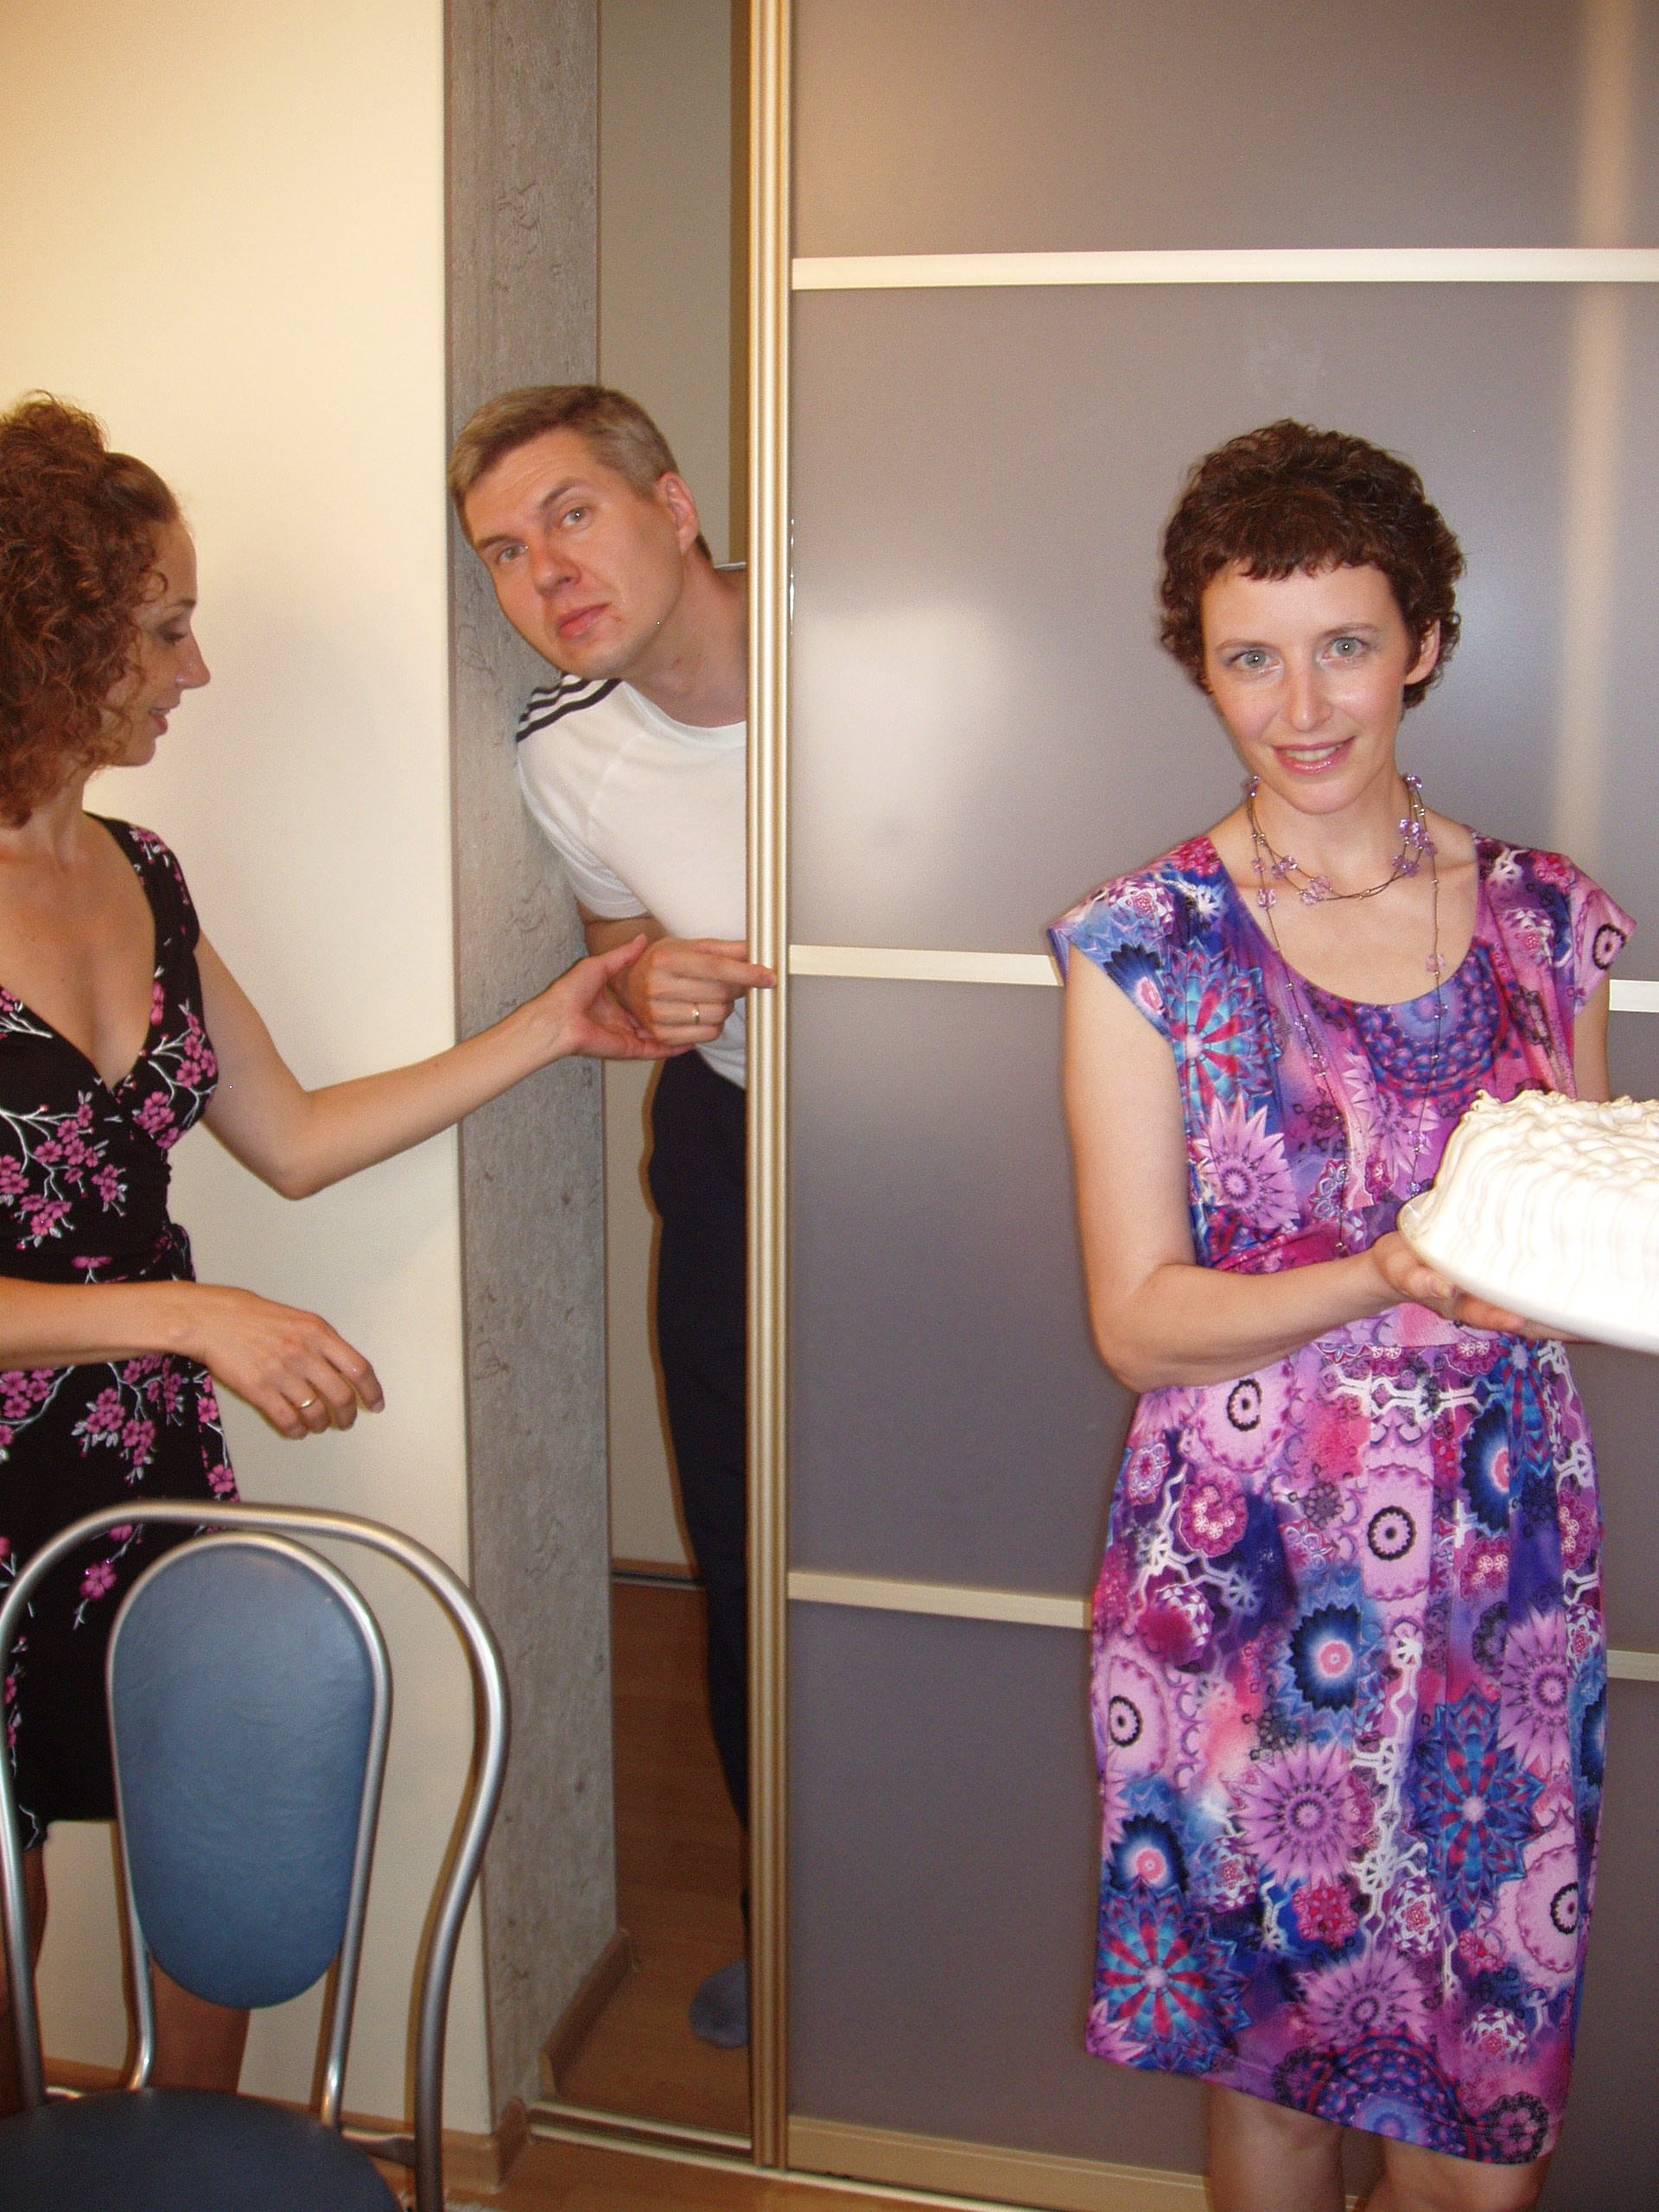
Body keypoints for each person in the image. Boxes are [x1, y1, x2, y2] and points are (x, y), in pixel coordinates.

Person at [0, 393, 674, 2105]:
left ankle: (184, 2163)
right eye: (164, 626)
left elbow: (290, 1137)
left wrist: (553, 1025)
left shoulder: (144, 871)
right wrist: (190, 1311)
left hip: (138, 1457)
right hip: (38, 1438)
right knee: (6, 1900)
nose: (197, 666)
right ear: (51, 640)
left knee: (197, 1846)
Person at [1052, 421, 1630, 2212]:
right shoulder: (1145, 944)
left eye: (1347, 646)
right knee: (1278, 2077)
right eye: (1251, 657)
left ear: (1426, 642)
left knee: (1481, 2112)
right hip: (1242, 1576)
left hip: (1500, 1571)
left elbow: (1581, 1227)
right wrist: (1384, 1273)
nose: (1300, 707)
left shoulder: (1547, 921)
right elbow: (1139, 1322)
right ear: (1203, 666)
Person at [448, 385, 771, 2050]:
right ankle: (794, 1922)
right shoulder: (564, 747)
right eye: (504, 552)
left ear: (675, 502)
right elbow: (619, 965)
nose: (545, 574)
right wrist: (652, 984)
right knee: (748, 1552)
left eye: (571, 514)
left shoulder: (863, 641)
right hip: (738, 1150)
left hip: (960, 1155)